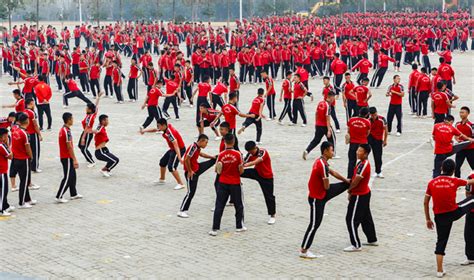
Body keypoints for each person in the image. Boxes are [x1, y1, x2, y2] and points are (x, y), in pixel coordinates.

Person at [424, 159, 474, 278]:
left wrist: (428, 219)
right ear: (453, 171)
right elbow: (471, 181)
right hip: (454, 213)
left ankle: (439, 271)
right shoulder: (454, 180)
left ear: (441, 168)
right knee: (472, 199)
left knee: (441, 242)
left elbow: (425, 202)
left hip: (439, 217)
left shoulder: (432, 183)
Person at [300, 141, 350, 258]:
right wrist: (327, 177)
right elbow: (327, 186)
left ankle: (351, 190)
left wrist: (346, 181)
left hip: (322, 193)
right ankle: (304, 250)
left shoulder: (322, 161)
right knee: (314, 224)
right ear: (325, 151)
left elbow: (333, 173)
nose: (333, 152)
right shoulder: (322, 165)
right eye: (332, 150)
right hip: (317, 198)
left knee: (346, 184)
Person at [344, 144, 378, 252]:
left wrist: (350, 191)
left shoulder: (364, 165)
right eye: (358, 150)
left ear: (366, 154)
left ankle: (356, 244)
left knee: (351, 219)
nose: (357, 152)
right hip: (363, 193)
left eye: (360, 151)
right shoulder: (360, 163)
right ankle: (372, 239)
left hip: (360, 195)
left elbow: (356, 181)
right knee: (365, 217)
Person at [210, 133, 245, 236]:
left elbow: (217, 170)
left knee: (219, 205)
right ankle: (239, 226)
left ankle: (214, 229)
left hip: (222, 183)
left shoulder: (220, 155)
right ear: (233, 141)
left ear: (224, 142)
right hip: (235, 183)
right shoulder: (238, 154)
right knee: (239, 205)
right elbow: (241, 170)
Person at [177, 134, 217, 218]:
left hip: (197, 168)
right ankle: (182, 210)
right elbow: (186, 159)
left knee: (214, 159)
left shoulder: (197, 148)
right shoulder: (193, 147)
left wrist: (211, 157)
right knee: (190, 192)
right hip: (192, 173)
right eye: (206, 142)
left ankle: (218, 158)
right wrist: (190, 171)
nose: (206, 144)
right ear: (201, 141)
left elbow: (201, 154)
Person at [140, 118, 186, 190]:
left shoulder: (169, 133)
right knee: (162, 162)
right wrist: (144, 130)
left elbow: (176, 144)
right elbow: (154, 130)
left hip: (179, 149)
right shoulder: (165, 128)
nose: (158, 128)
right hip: (172, 149)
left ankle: (181, 184)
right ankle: (162, 179)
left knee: (172, 167)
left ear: (163, 125)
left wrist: (179, 157)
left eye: (159, 126)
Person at [242, 141, 276, 224]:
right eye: (249, 152)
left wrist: (247, 165)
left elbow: (258, 160)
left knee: (269, 196)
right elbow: (244, 162)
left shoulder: (262, 151)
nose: (250, 153)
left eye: (251, 151)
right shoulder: (249, 154)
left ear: (255, 148)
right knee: (239, 172)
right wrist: (239, 166)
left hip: (267, 177)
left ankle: (272, 215)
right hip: (257, 172)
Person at [56, 112, 82, 203]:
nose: (73, 120)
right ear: (69, 120)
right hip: (66, 157)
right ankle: (59, 195)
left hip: (66, 156)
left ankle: (73, 193)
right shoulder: (66, 131)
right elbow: (69, 146)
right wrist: (74, 159)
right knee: (67, 177)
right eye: (72, 118)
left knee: (73, 175)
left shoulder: (64, 129)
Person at [303, 91, 337, 161]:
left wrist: (316, 123)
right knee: (332, 139)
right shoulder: (328, 105)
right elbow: (327, 118)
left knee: (316, 140)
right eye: (333, 98)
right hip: (325, 125)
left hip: (318, 125)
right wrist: (329, 130)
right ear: (331, 97)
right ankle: (333, 153)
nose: (334, 99)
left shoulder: (320, 103)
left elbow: (316, 113)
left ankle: (307, 151)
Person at [11, 113, 36, 208]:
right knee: (24, 181)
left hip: (16, 158)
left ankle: (27, 199)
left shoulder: (15, 130)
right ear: (27, 121)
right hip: (23, 159)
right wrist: (31, 156)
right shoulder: (24, 133)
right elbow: (28, 147)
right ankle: (21, 202)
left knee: (23, 179)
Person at [346, 107, 371, 178]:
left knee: (351, 161)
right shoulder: (367, 122)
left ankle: (349, 177)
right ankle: (363, 176)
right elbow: (368, 133)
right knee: (364, 162)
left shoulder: (351, 119)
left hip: (353, 143)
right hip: (363, 144)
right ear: (367, 114)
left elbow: (348, 130)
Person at [79, 93, 102, 168]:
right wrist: (98, 97)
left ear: (89, 109)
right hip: (85, 132)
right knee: (80, 146)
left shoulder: (90, 117)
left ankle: (91, 161)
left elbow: (87, 128)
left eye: (86, 107)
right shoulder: (92, 113)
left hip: (87, 134)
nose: (85, 108)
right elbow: (96, 106)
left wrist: (83, 138)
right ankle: (88, 156)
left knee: (84, 149)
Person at [368, 107, 388, 178]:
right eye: (372, 115)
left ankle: (378, 171)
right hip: (369, 138)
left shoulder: (382, 119)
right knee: (365, 154)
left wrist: (385, 140)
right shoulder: (368, 119)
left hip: (378, 139)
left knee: (378, 156)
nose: (373, 116)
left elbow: (386, 130)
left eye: (375, 114)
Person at [24, 98, 42, 173]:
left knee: (28, 150)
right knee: (35, 150)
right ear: (30, 103)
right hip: (33, 134)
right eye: (33, 103)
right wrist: (39, 134)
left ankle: (29, 165)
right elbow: (35, 125)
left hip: (26, 133)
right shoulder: (32, 113)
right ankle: (35, 167)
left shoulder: (24, 111)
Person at [455, 107, 474, 178]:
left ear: (468, 113)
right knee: (457, 167)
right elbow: (455, 135)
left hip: (470, 149)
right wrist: (457, 139)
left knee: (473, 166)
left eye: (463, 112)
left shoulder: (471, 125)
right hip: (460, 149)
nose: (461, 114)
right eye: (460, 112)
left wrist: (468, 140)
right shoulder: (457, 124)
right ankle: (457, 181)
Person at [0, 128, 13, 216]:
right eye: (6, 136)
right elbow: (10, 156)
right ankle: (1, 210)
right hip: (2, 171)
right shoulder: (1, 145)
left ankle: (5, 205)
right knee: (3, 191)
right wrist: (8, 145)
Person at [464, 173, 474, 266]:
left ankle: (471, 257)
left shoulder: (471, 177)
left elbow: (467, 194)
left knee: (469, 234)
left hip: (472, 210)